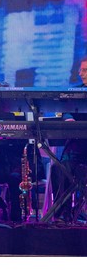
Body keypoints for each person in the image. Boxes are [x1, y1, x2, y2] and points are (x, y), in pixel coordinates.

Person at [49, 57, 87, 222]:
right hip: (78, 145)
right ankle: (62, 215)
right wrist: (69, 118)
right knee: (59, 168)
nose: (80, 74)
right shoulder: (75, 92)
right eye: (80, 70)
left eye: (84, 70)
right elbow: (65, 109)